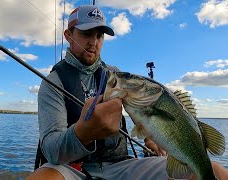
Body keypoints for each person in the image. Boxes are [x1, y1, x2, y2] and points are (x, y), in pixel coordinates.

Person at [27, 5, 228, 180]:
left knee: (216, 172)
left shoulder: (114, 75)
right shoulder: (53, 83)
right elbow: (51, 150)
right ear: (69, 36)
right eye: (86, 34)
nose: (94, 42)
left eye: (99, 36)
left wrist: (151, 136)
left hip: (120, 165)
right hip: (71, 168)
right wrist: (82, 133)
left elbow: (141, 113)